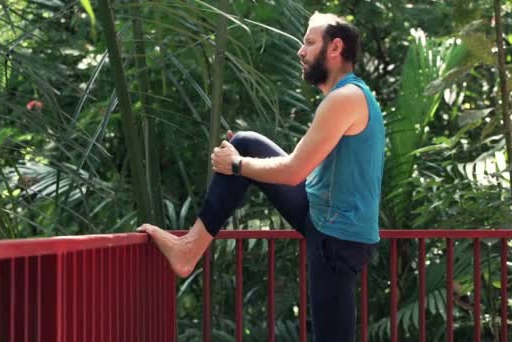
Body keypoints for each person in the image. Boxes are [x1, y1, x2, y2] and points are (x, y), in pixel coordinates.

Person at [137, 12, 385, 341]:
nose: (301, 51)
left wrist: (238, 166)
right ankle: (189, 249)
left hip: (337, 238)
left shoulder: (346, 99)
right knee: (245, 142)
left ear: (335, 47)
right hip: (323, 216)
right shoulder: (347, 96)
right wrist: (240, 159)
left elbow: (295, 169)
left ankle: (190, 248)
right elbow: (299, 169)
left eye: (310, 42)